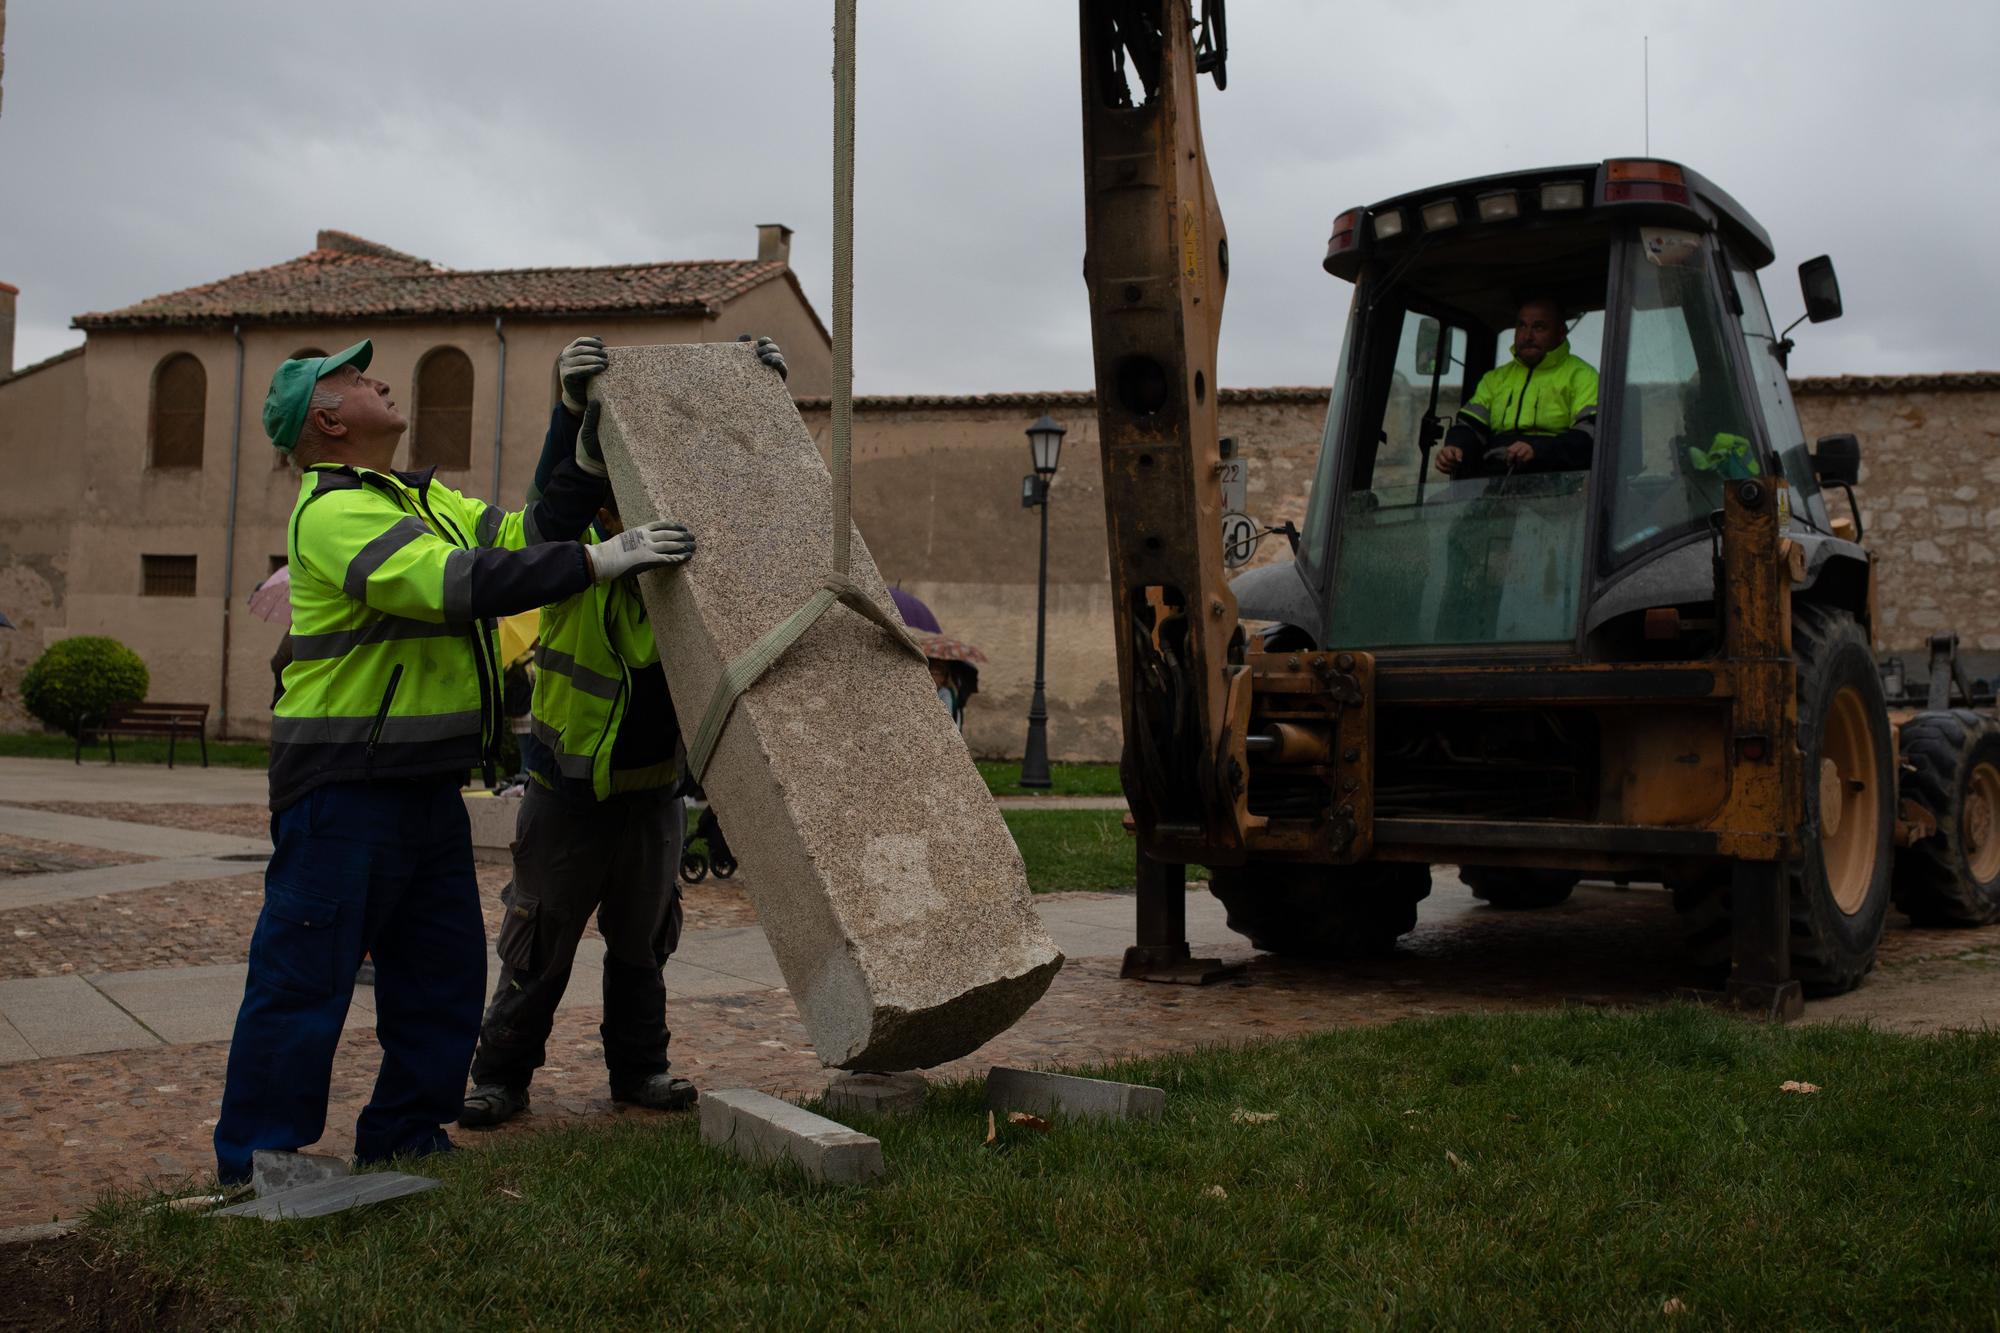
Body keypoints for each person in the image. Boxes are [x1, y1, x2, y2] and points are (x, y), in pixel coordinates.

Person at [213, 337, 698, 1184]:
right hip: (341, 787)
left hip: (422, 786)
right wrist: (600, 560)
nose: (382, 382)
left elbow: (528, 531)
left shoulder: (420, 500)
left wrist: (577, 419)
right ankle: (261, 1159)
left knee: (440, 978)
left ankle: (404, 1133)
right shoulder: (332, 511)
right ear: (327, 420)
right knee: (303, 979)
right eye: (358, 380)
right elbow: (455, 582)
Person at [458, 333, 787, 1126]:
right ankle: (499, 1074)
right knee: (538, 947)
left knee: (643, 949)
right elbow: (553, 505)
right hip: (563, 797)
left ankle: (641, 1070)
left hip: (649, 801)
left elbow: (751, 511)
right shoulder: (576, 564)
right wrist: (569, 410)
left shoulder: (690, 572)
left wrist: (762, 404)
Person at [1435, 296, 1599, 477]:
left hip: (1556, 482)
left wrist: (1537, 450)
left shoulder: (1583, 376)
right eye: (1521, 326)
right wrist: (1455, 446)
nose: (1527, 336)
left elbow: (1589, 435)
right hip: (1494, 478)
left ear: (1561, 333)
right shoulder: (1495, 378)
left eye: (1539, 327)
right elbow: (1470, 427)